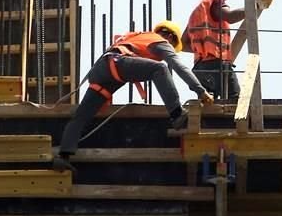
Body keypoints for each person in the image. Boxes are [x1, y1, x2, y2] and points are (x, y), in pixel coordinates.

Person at [56, 20, 214, 164]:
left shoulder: (138, 38)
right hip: (117, 64)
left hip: (102, 71)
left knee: (81, 116)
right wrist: (200, 91)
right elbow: (179, 66)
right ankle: (177, 114)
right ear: (170, 37)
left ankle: (63, 156)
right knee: (160, 68)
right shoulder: (160, 41)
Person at [183, 0, 271, 100]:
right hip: (216, 66)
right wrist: (256, 6)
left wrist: (203, 49)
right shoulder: (215, 0)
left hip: (200, 69)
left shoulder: (197, 13)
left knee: (210, 107)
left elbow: (182, 44)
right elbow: (230, 16)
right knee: (235, 103)